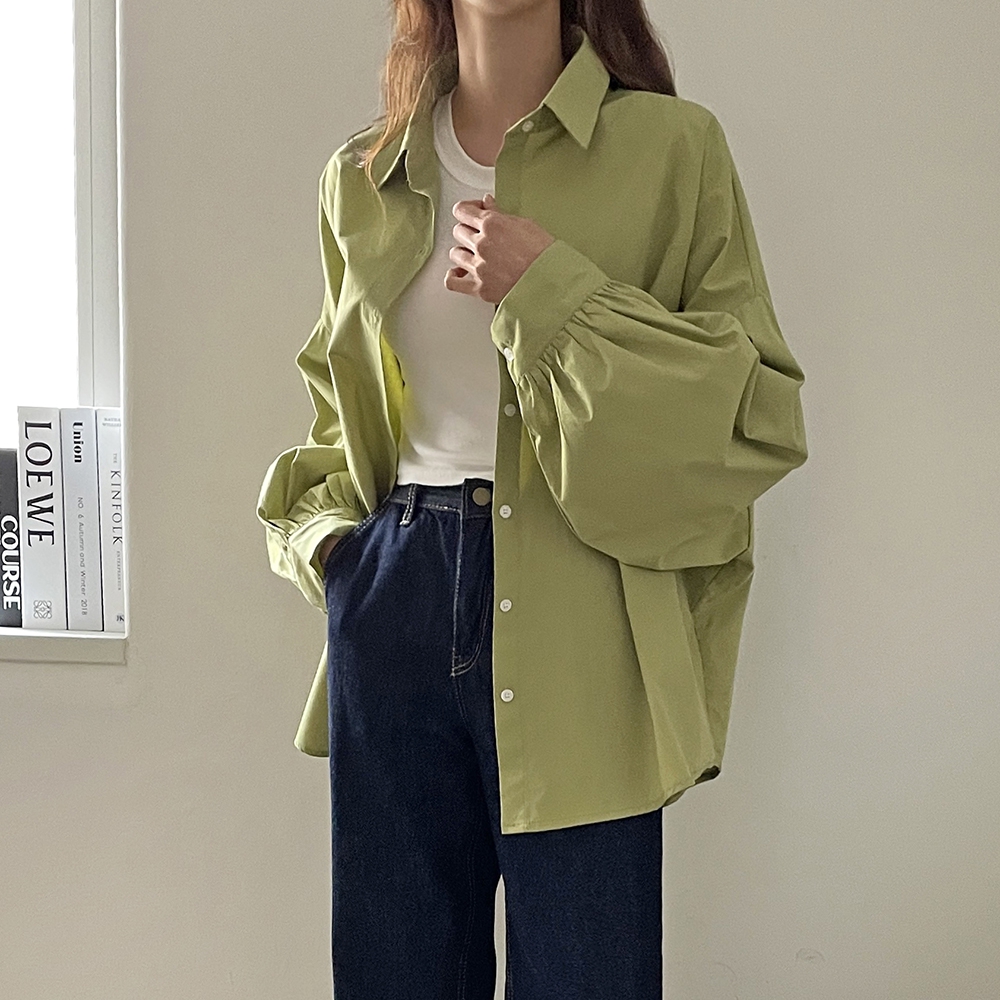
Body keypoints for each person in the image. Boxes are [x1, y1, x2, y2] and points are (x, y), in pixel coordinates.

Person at [256, 0, 808, 996]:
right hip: (394, 599)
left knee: (588, 975)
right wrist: (335, 553)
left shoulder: (673, 150)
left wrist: (548, 289)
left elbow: (751, 409)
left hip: (583, 602)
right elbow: (338, 421)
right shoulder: (363, 176)